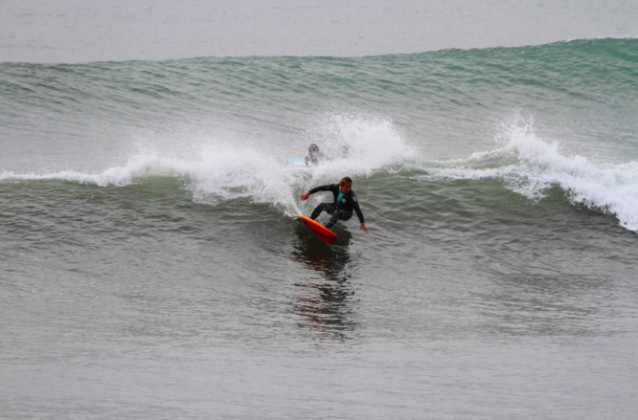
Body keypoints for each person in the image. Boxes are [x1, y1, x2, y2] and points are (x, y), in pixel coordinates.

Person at [300, 176, 369, 232]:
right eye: (347, 187)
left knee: (337, 212)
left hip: (346, 214)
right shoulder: (335, 187)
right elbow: (320, 188)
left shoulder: (351, 196)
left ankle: (325, 229)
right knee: (322, 205)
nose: (348, 189)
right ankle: (311, 220)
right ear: (341, 185)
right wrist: (308, 193)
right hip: (336, 207)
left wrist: (362, 223)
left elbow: (357, 209)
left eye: (350, 187)